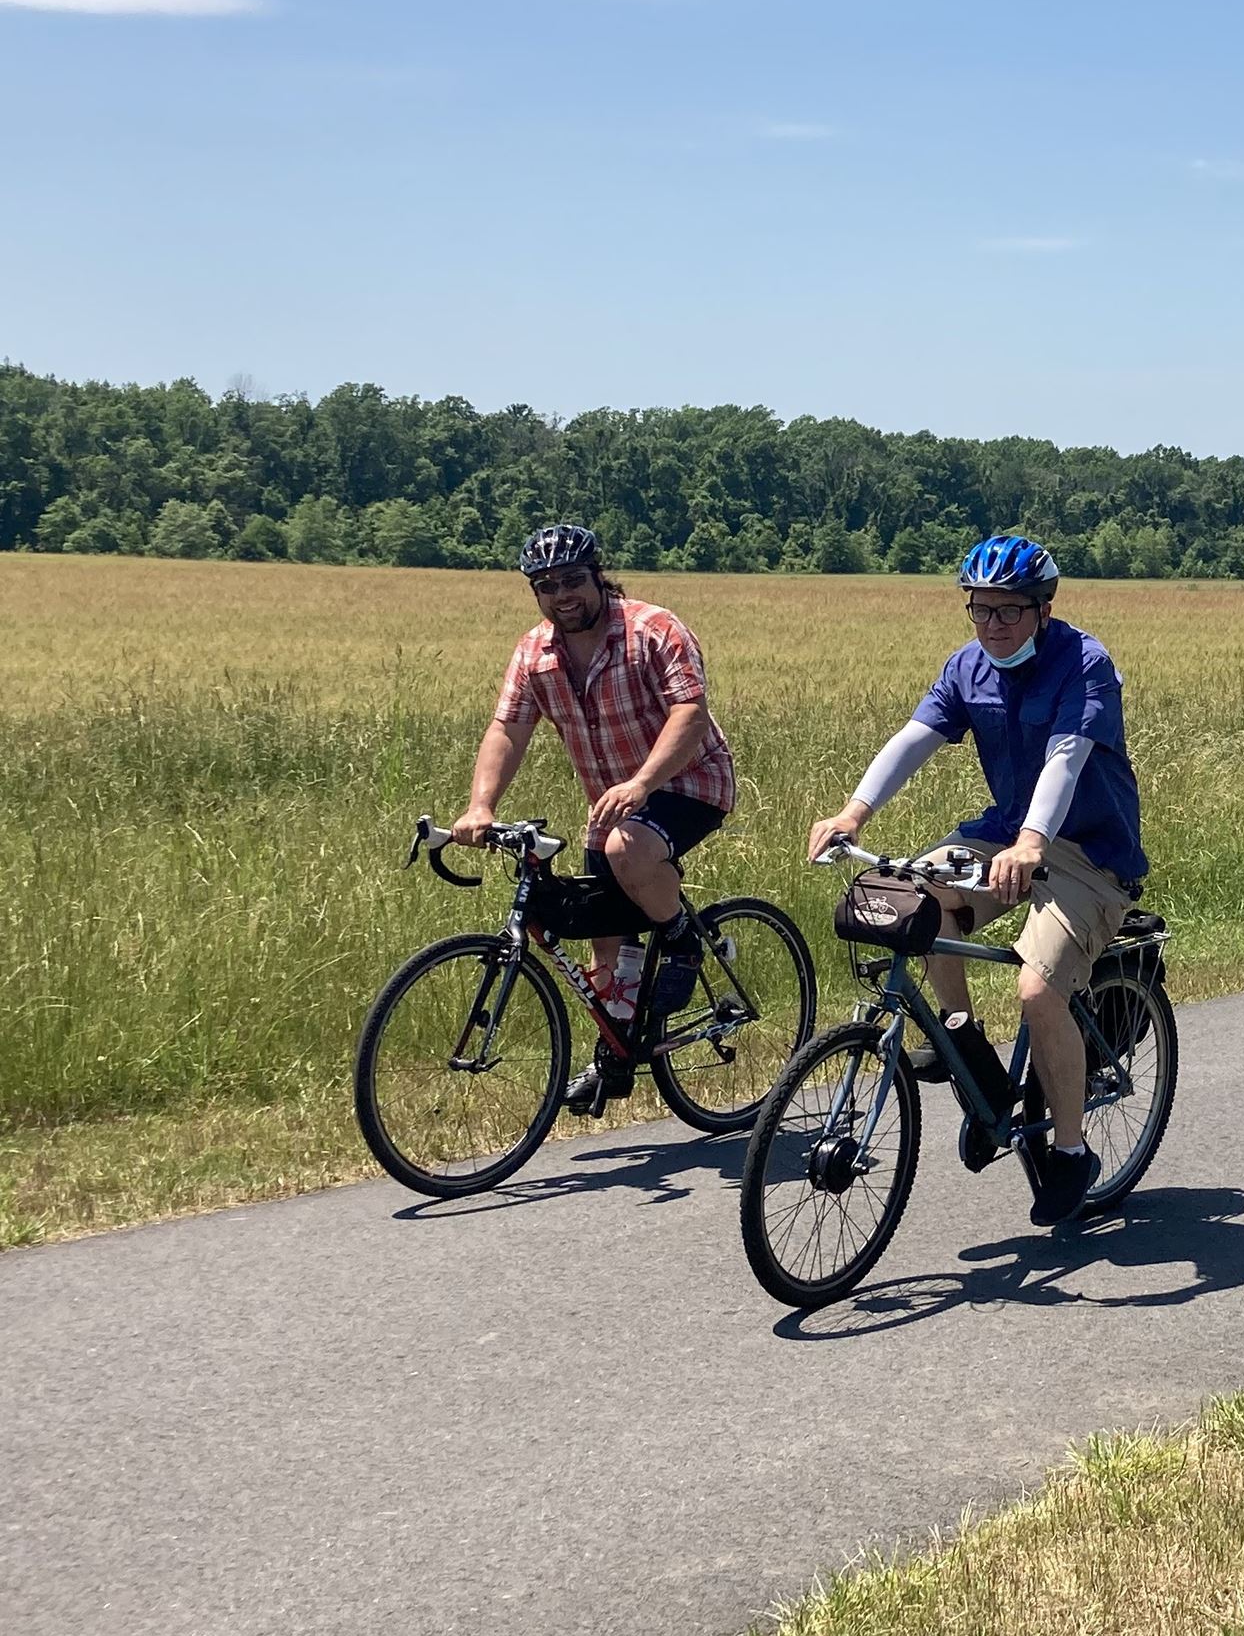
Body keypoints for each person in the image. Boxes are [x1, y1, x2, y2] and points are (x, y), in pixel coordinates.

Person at [808, 535, 1148, 1229]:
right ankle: (965, 1044)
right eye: (980, 610)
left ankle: (1071, 1150)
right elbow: (914, 738)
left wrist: (1031, 842)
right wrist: (854, 811)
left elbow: (1066, 757)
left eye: (1010, 612)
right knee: (913, 900)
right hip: (1002, 834)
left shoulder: (1084, 664)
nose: (993, 626)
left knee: (1037, 988)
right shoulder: (968, 666)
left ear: (1043, 609)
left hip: (1087, 853)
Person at [454, 523, 738, 1113]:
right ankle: (614, 1057)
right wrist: (482, 805)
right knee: (603, 950)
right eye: (547, 585)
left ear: (597, 576)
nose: (563, 595)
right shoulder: (535, 652)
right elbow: (508, 727)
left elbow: (689, 714)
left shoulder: (653, 630)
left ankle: (684, 943)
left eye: (574, 581)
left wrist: (641, 784)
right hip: (611, 807)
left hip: (690, 781)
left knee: (625, 849)